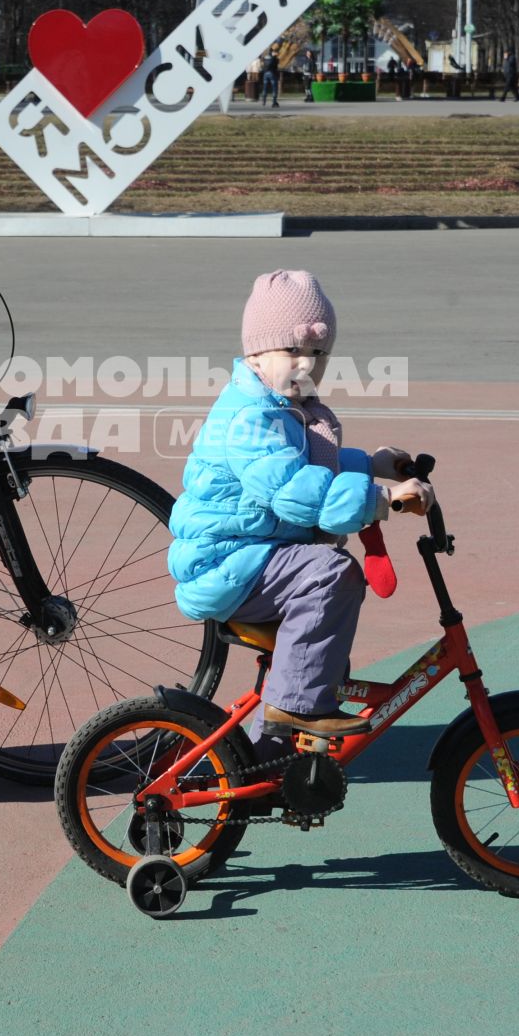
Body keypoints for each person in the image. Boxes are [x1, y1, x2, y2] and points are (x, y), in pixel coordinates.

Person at [167, 271, 435, 738]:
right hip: (229, 559)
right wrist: (384, 499)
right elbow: (296, 492)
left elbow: (311, 461)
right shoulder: (251, 418)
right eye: (292, 351)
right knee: (331, 574)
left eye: (318, 354)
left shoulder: (277, 404)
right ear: (255, 352)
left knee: (322, 629)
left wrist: (370, 464)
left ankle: (274, 742)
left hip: (254, 552)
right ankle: (296, 708)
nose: (307, 364)